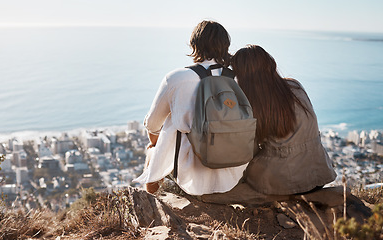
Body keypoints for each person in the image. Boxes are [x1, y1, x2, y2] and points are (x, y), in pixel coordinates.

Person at [133, 20, 248, 196]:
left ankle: (152, 198)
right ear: (226, 46)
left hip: (191, 174)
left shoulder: (177, 78)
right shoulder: (237, 79)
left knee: (156, 143)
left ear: (194, 45)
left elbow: (153, 124)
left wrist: (154, 144)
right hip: (233, 169)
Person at [230, 45, 337, 195]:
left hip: (282, 181)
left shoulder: (252, 103)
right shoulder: (295, 86)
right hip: (317, 175)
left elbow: (247, 148)